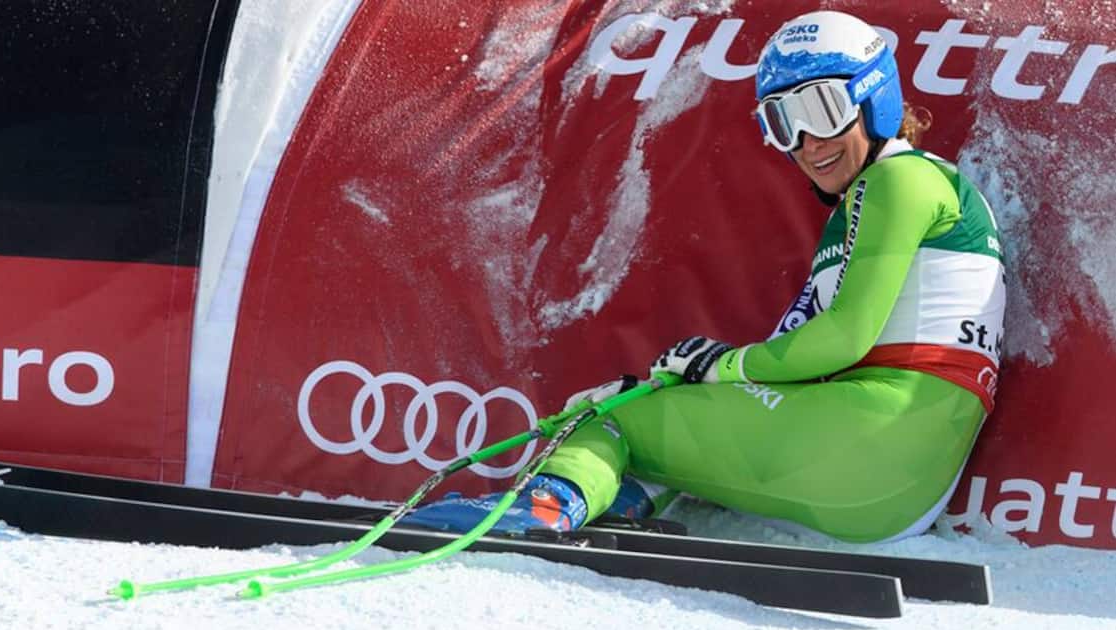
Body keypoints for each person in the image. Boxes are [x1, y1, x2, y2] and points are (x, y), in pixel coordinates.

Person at [404, 10, 1006, 544]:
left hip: (873, 436)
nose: (804, 143)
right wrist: (698, 378)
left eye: (820, 110)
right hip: (899, 482)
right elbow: (811, 356)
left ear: (874, 98)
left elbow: (843, 339)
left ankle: (545, 505)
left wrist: (719, 365)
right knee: (670, 409)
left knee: (609, 417)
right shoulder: (882, 201)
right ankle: (616, 492)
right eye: (780, 122)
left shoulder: (897, 181)